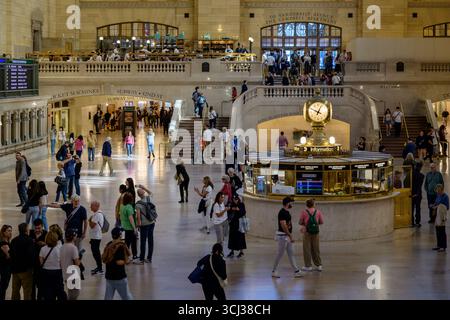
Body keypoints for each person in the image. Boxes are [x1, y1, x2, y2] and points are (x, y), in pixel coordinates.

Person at [271, 197, 303, 278]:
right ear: (288, 203)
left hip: (286, 236)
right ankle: (274, 271)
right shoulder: (282, 213)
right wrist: (290, 235)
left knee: (291, 253)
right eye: (291, 203)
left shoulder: (286, 212)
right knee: (280, 254)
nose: (292, 204)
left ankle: (296, 271)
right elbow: (283, 225)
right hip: (283, 236)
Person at [102, 227, 133, 300]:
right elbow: (119, 262)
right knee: (127, 297)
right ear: (120, 235)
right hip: (119, 277)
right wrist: (127, 261)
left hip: (109, 276)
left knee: (108, 297)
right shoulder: (120, 246)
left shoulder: (109, 244)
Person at [39, 231, 67, 300]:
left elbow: (41, 262)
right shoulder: (59, 249)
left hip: (46, 273)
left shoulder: (43, 249)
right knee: (59, 291)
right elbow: (62, 263)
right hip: (57, 272)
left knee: (48, 293)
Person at [9, 223, 34, 300]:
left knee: (15, 291)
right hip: (26, 271)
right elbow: (31, 256)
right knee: (27, 292)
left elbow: (11, 255)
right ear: (26, 230)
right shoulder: (29, 240)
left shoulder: (13, 240)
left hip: (15, 271)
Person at [299, 199, 324, 272]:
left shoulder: (304, 212)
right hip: (316, 232)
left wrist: (305, 224)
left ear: (306, 205)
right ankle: (319, 265)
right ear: (313, 204)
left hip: (307, 232)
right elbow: (321, 222)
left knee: (307, 248)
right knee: (316, 248)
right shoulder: (318, 212)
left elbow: (300, 222)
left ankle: (308, 266)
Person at [135, 185, 156, 264]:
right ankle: (149, 258)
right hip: (152, 222)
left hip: (144, 224)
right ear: (144, 192)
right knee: (150, 240)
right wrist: (143, 187)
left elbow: (138, 217)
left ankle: (141, 259)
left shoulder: (138, 204)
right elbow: (150, 192)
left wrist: (137, 226)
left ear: (138, 195)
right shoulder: (149, 198)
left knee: (143, 242)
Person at [60, 229, 80, 300]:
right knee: (74, 295)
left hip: (65, 274)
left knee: (70, 292)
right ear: (73, 237)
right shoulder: (73, 248)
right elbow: (77, 263)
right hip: (73, 275)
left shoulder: (62, 247)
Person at [120, 192, 138, 261]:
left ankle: (125, 256)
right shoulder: (129, 207)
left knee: (127, 243)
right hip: (130, 227)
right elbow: (131, 219)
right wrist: (134, 228)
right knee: (133, 242)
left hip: (125, 226)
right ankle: (134, 255)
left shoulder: (122, 206)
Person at [88, 201, 104, 275]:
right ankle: (98, 267)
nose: (90, 207)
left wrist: (89, 220)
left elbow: (92, 225)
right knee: (95, 252)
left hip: (96, 237)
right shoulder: (97, 214)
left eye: (92, 206)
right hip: (95, 236)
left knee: (96, 253)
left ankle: (100, 269)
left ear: (96, 206)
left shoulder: (97, 215)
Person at [432, 184, 448, 252]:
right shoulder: (438, 195)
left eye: (439, 191)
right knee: (437, 230)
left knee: (442, 231)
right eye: (437, 191)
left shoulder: (445, 196)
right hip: (437, 214)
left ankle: (443, 246)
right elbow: (436, 202)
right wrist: (433, 205)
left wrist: (438, 206)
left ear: (442, 190)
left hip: (442, 215)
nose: (437, 192)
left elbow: (447, 206)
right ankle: (439, 245)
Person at [0, 225, 12, 300]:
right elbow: (9, 256)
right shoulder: (4, 243)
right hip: (5, 267)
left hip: (5, 266)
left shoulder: (7, 241)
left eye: (11, 230)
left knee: (3, 285)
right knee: (3, 285)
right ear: (4, 232)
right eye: (8, 231)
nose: (10, 232)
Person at [411, 160, 425, 227]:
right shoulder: (422, 176)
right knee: (418, 208)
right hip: (418, 194)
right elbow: (419, 186)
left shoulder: (411, 174)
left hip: (412, 193)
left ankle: (411, 221)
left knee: (412, 208)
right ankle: (418, 222)